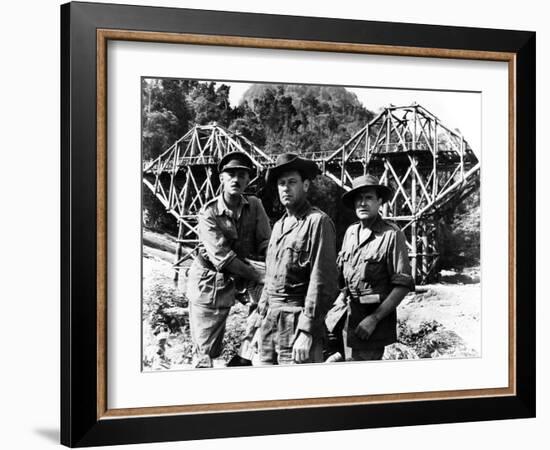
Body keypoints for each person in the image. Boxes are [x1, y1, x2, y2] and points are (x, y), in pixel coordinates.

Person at [186, 151, 271, 368]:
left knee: (271, 309)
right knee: (206, 354)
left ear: (248, 180)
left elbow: (265, 242)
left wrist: (271, 264)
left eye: (242, 175)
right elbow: (223, 259)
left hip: (245, 275)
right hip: (210, 281)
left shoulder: (255, 205)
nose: (236, 179)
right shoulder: (209, 214)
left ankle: (242, 360)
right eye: (230, 174)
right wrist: (263, 276)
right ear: (221, 178)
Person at [254, 153, 338, 365]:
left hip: (297, 322)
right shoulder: (278, 226)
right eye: (281, 183)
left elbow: (322, 281)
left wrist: (307, 331)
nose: (285, 188)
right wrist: (258, 319)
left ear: (306, 185)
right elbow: (270, 277)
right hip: (269, 323)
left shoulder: (317, 222)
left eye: (292, 182)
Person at [326, 174, 414, 361]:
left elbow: (402, 285)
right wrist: (339, 301)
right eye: (358, 198)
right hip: (346, 319)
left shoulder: (392, 235)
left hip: (372, 325)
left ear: (379, 201)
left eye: (368, 198)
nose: (363, 203)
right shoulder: (351, 232)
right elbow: (343, 277)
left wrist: (374, 319)